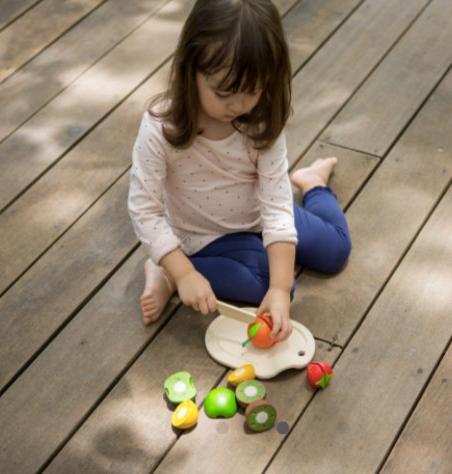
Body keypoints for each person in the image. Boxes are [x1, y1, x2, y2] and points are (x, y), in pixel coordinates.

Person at [128, 0, 351, 342]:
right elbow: (144, 208)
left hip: (260, 216)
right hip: (205, 238)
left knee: (334, 251)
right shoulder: (161, 127)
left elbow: (276, 208)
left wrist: (278, 288)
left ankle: (313, 184)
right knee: (276, 284)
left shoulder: (260, 121)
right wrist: (184, 272)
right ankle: (166, 272)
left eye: (251, 91)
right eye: (224, 93)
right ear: (191, 69)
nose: (237, 105)